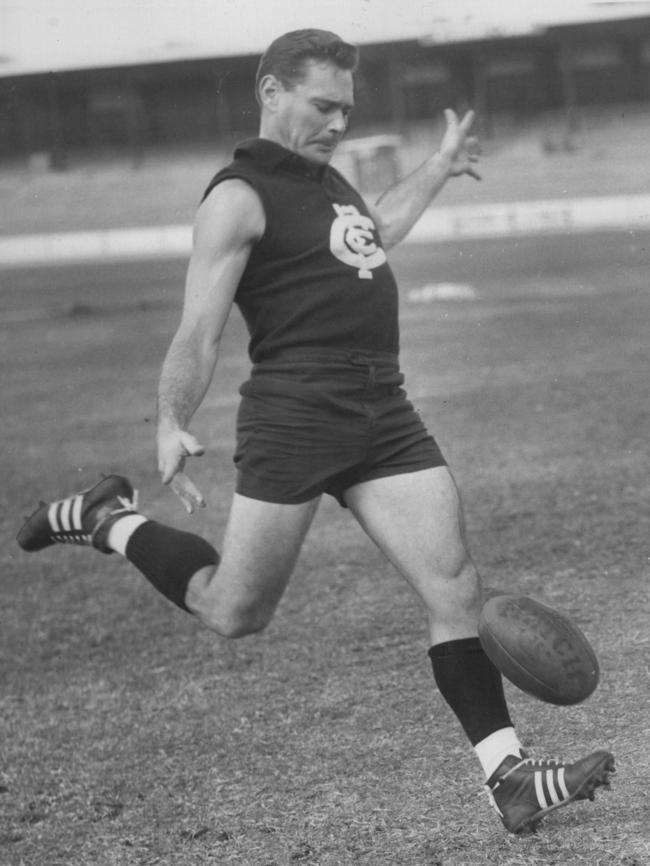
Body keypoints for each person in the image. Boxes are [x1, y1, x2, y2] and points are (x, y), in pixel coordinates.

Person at [17, 29, 614, 834]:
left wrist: (437, 168)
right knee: (234, 611)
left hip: (385, 413)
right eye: (323, 105)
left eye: (347, 108)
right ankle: (109, 520)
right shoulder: (238, 196)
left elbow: (376, 230)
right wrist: (169, 421)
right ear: (271, 92)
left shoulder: (327, 184)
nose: (338, 122)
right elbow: (199, 328)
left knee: (455, 588)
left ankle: (507, 775)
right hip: (296, 416)